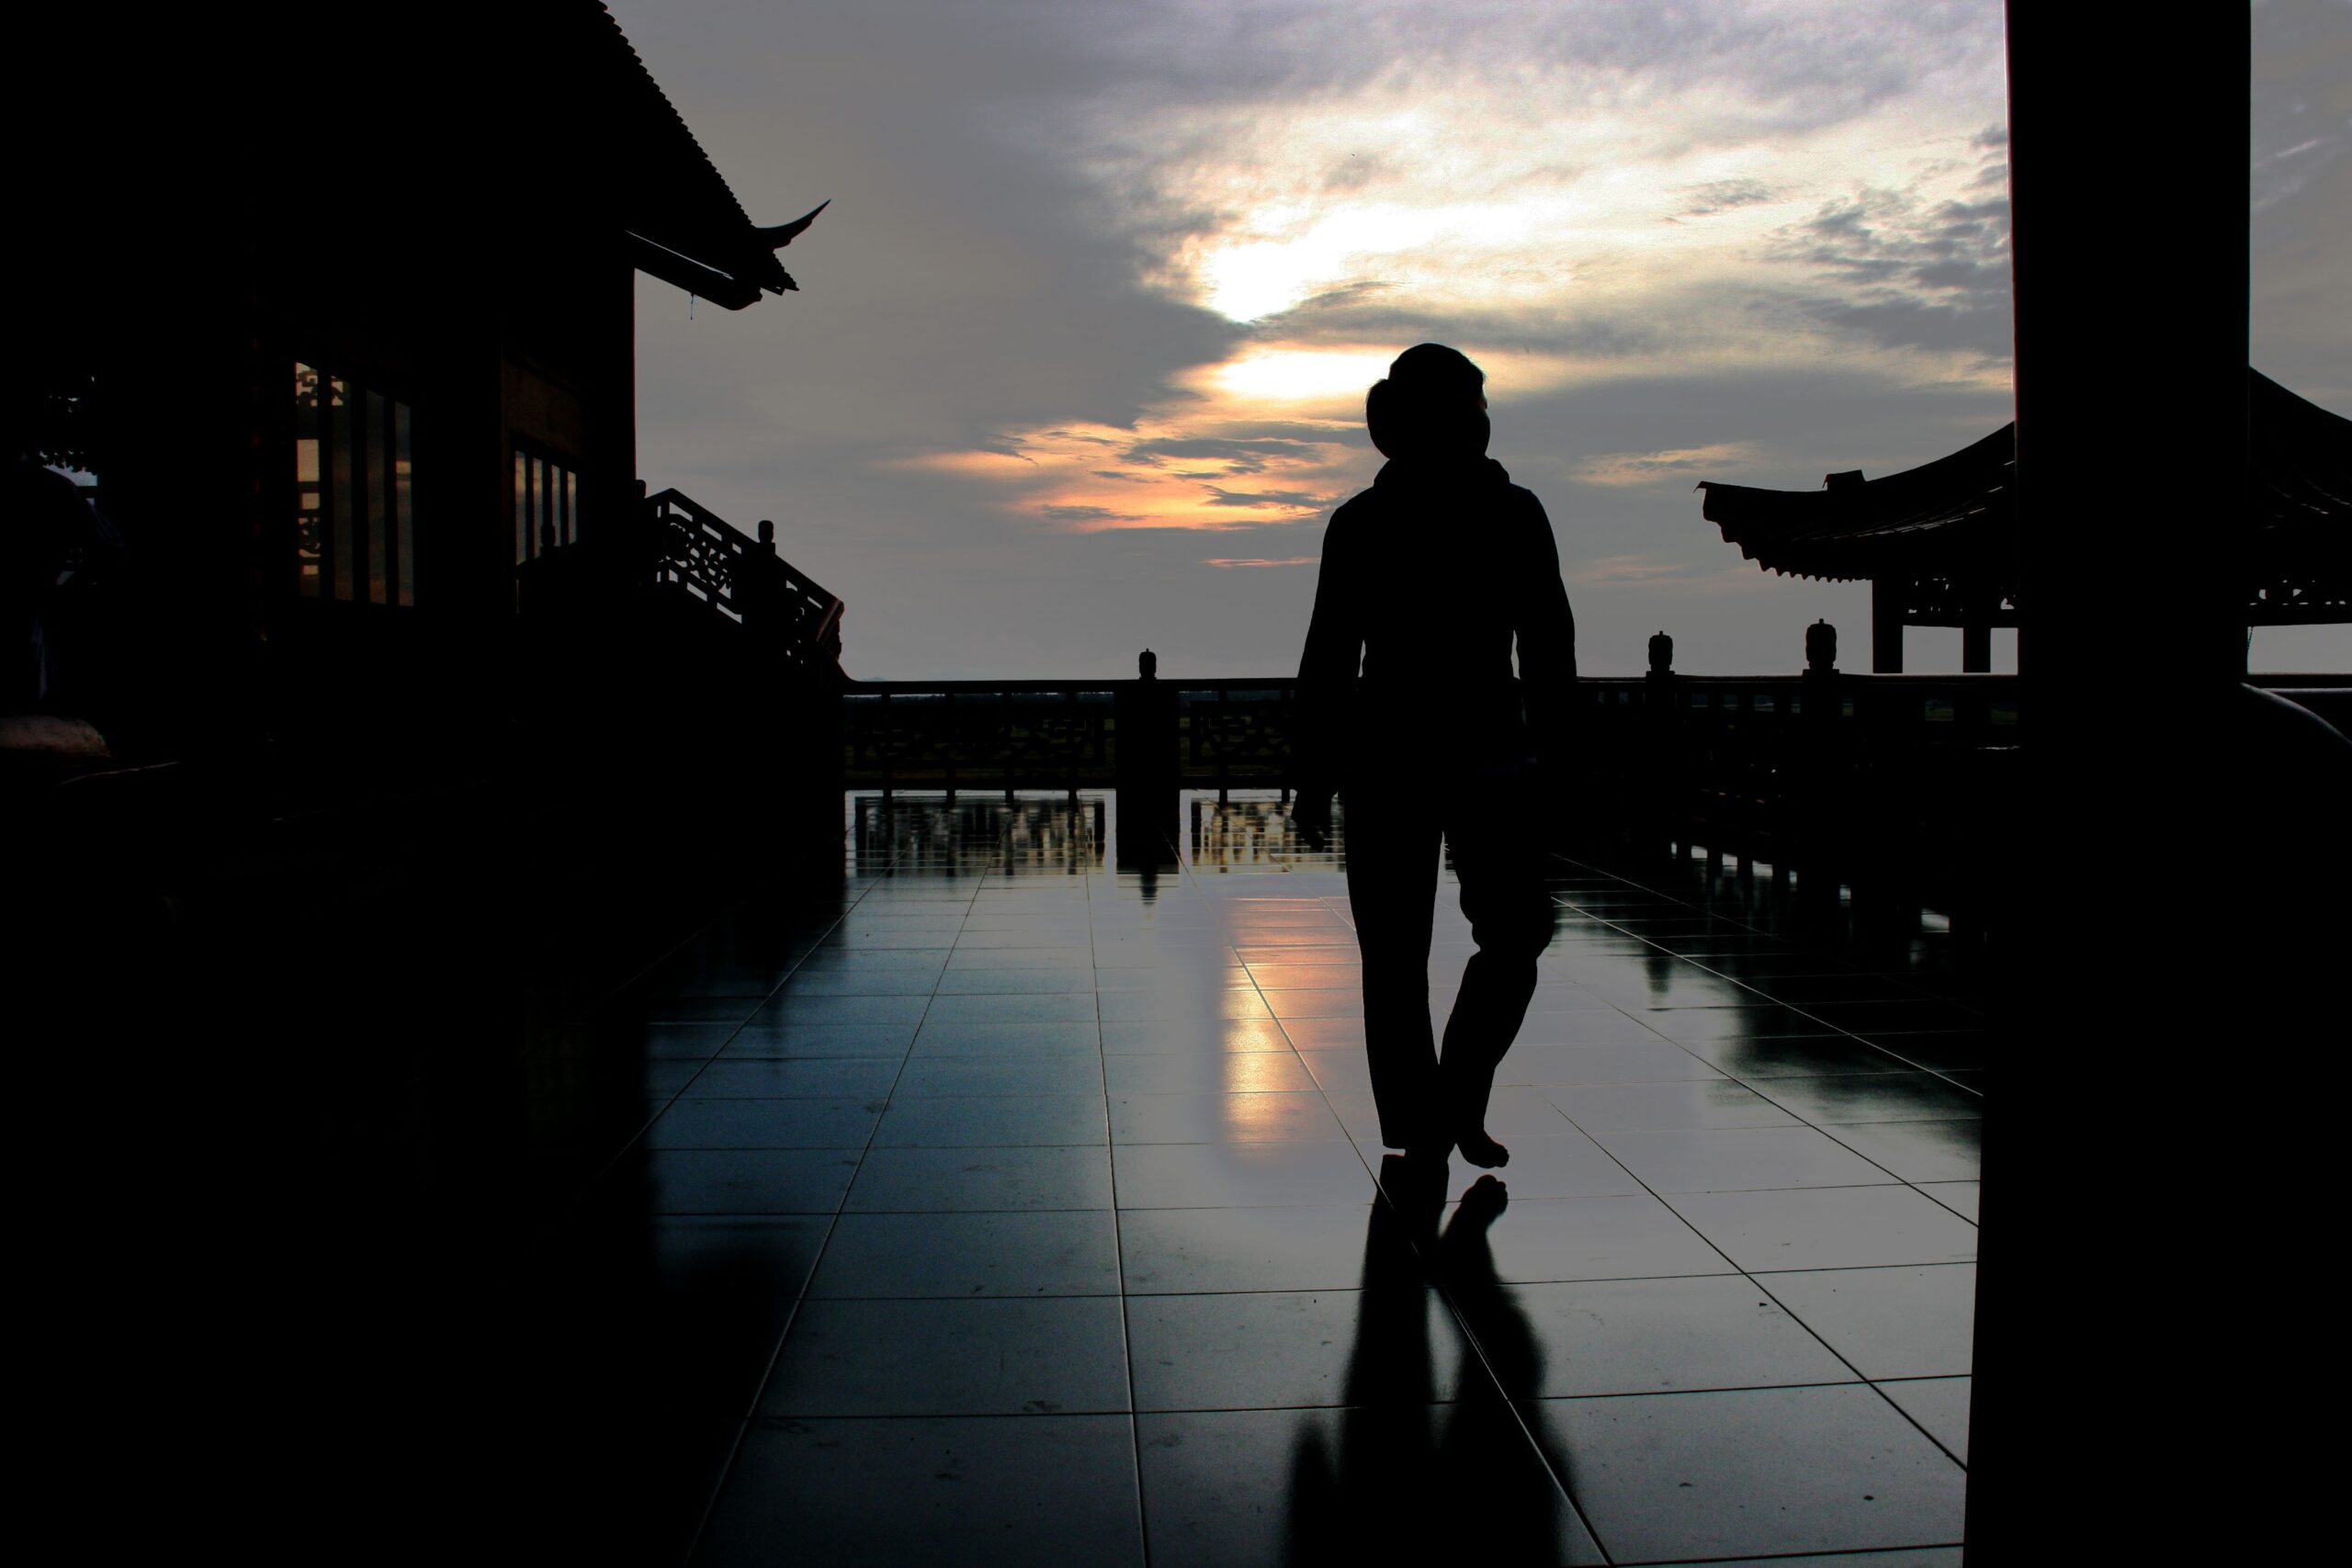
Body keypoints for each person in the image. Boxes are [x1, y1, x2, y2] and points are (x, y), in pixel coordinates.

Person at [1291, 344, 1574, 1169]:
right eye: (1469, 402)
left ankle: (1455, 1094)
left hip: (1487, 753)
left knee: (1516, 933)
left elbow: (1549, 645)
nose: (1481, 418)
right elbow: (1330, 657)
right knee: (1394, 949)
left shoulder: (1515, 513)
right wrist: (1313, 773)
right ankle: (1424, 1119)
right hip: (1391, 758)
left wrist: (1559, 757)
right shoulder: (1361, 524)